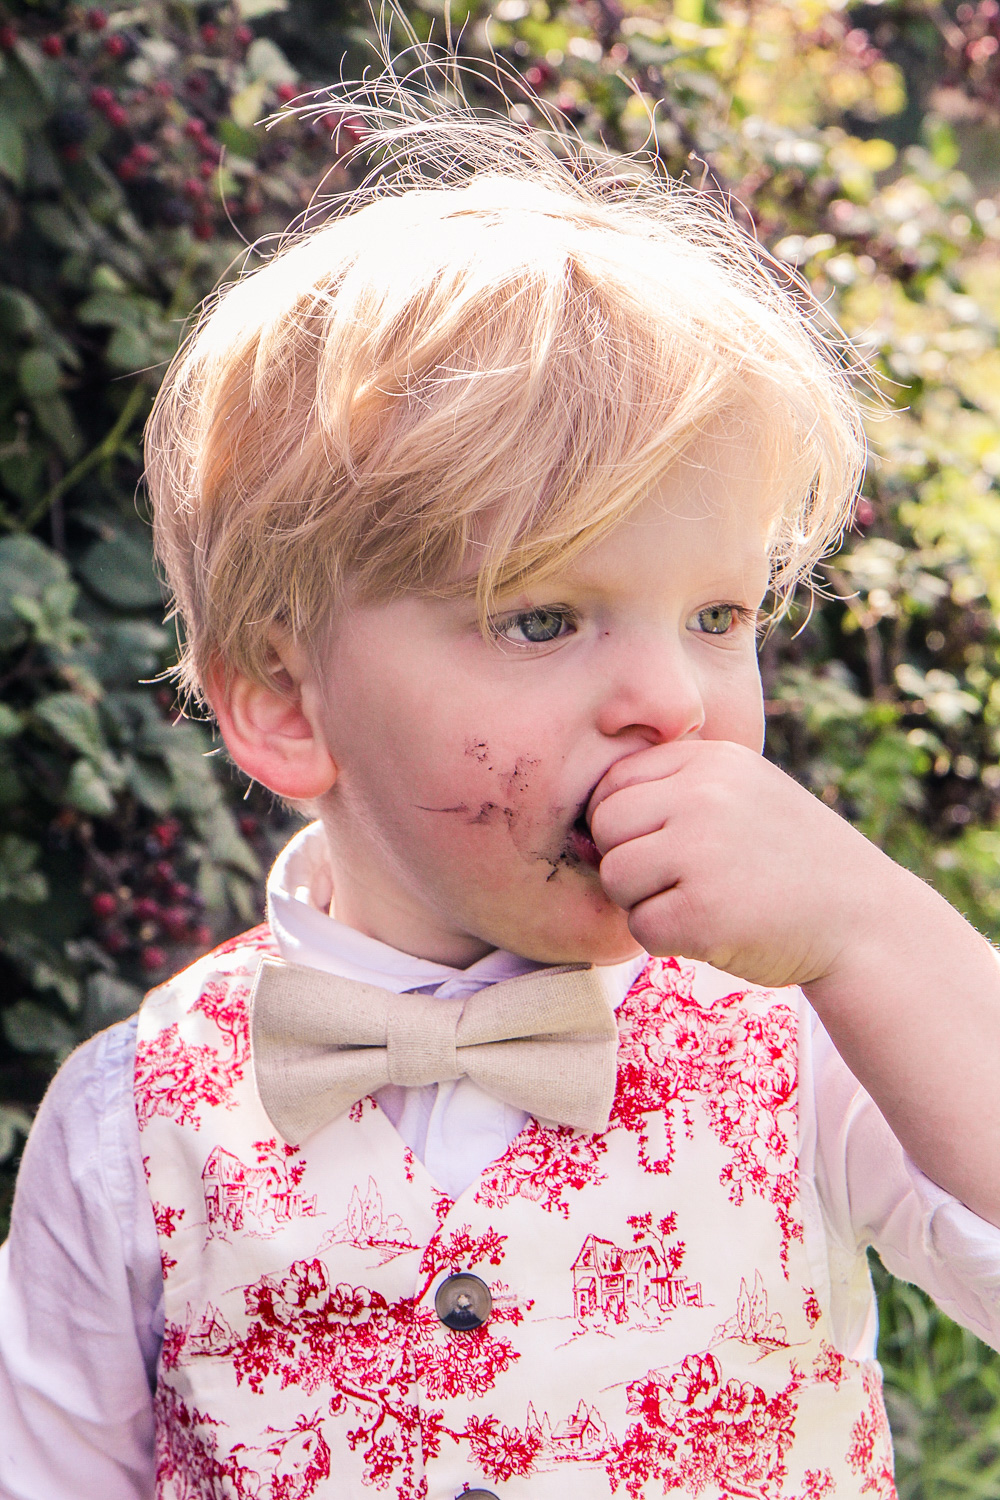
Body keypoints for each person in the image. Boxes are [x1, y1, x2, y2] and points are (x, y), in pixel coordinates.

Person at [3, 81, 1000, 1500]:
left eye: (716, 617)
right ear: (286, 702)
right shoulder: (127, 1128)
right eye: (543, 618)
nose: (673, 695)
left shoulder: (808, 1043)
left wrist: (882, 935)